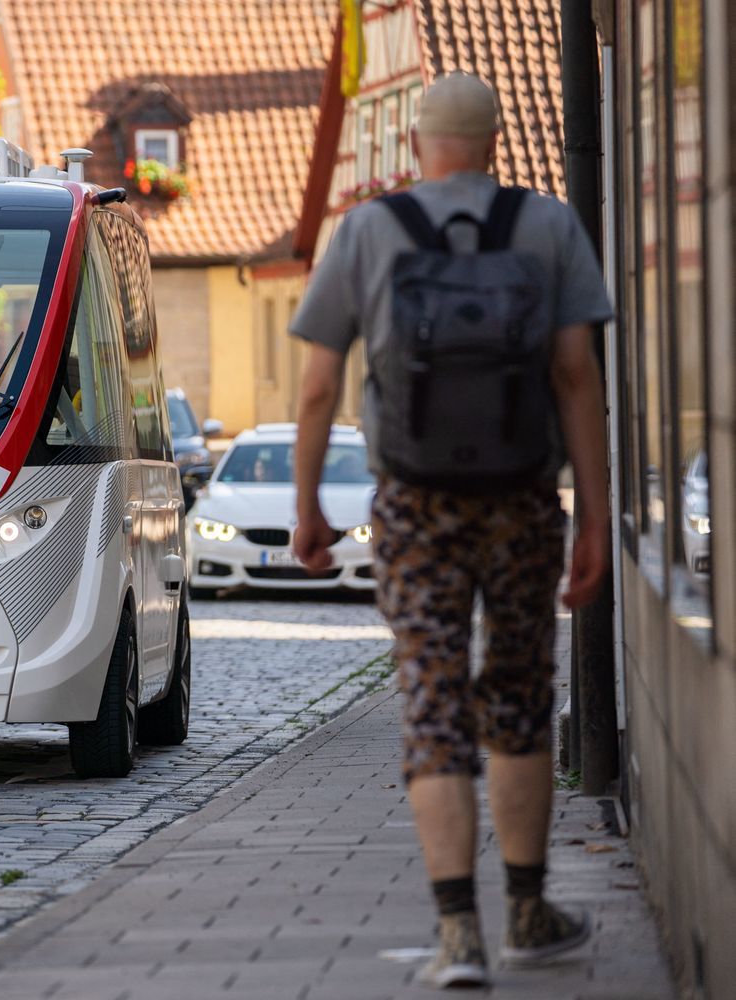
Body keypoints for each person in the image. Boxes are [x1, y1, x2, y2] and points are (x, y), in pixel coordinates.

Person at [288, 73, 613, 989]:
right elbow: (576, 376)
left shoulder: (369, 229)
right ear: (495, 142)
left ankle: (458, 938)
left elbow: (317, 386)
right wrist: (589, 512)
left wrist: (309, 505)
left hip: (415, 503)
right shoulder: (548, 226)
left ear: (419, 144)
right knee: (515, 695)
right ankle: (529, 911)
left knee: (432, 702)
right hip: (520, 502)